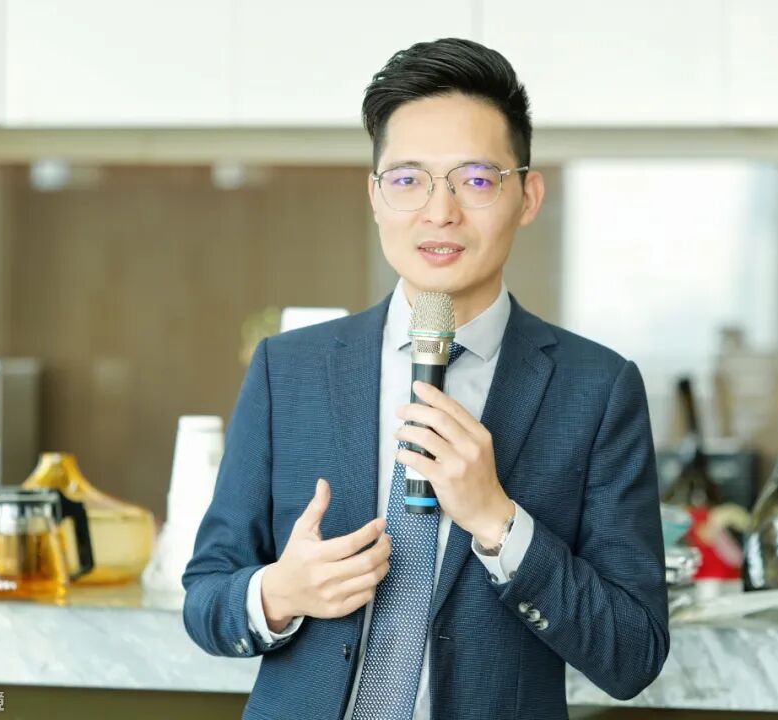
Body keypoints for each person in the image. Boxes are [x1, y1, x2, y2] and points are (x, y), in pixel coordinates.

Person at [183, 37, 668, 720]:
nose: (440, 212)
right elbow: (206, 597)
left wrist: (498, 521)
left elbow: (634, 654)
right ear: (375, 196)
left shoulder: (596, 389)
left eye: (476, 180)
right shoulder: (288, 369)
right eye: (408, 180)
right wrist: (279, 594)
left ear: (527, 196)